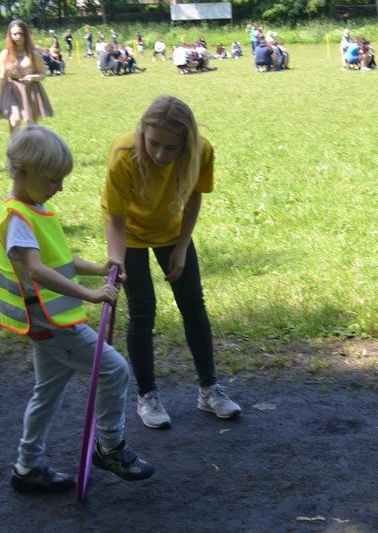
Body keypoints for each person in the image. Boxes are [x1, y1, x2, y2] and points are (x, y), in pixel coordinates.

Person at [0, 125, 154, 493]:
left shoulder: (37, 210)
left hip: (51, 324)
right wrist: (91, 294)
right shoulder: (18, 219)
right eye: (53, 179)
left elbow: (61, 260)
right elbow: (37, 270)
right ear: (24, 173)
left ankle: (27, 466)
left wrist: (98, 269)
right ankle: (110, 446)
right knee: (114, 370)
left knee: (46, 394)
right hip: (55, 325)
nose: (60, 188)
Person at [102, 95, 241, 429]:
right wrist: (117, 260)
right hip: (129, 234)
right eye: (154, 144)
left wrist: (181, 247)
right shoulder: (124, 154)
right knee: (142, 309)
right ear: (142, 133)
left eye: (171, 148)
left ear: (186, 143)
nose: (161, 155)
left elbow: (194, 196)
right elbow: (116, 220)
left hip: (171, 230)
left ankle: (209, 389)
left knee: (193, 305)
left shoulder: (201, 151)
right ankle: (147, 395)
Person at [0, 19, 53, 135]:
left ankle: (31, 146)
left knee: (31, 127)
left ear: (26, 35)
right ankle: (15, 146)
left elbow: (43, 75)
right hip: (13, 90)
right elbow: (3, 77)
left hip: (31, 90)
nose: (18, 37)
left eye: (21, 33)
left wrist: (32, 77)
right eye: (14, 34)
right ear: (10, 35)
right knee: (14, 122)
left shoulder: (34, 54)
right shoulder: (5, 54)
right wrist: (1, 97)